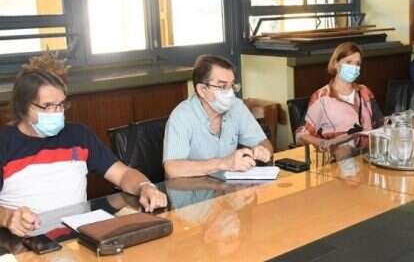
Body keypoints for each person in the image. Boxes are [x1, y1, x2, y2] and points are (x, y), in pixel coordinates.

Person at [0, 69, 167, 237]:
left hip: (79, 236)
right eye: (48, 106)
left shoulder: (78, 135)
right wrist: (7, 217)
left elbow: (123, 174)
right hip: (24, 241)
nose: (57, 112)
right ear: (23, 107)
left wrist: (145, 187)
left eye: (61, 104)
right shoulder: (5, 143)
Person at [163, 54, 273, 178]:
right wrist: (223, 163)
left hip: (228, 186)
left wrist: (263, 150)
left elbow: (264, 143)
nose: (230, 93)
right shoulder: (182, 116)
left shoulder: (236, 106)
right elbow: (172, 168)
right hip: (193, 187)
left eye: (232, 86)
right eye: (222, 86)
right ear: (202, 90)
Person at [295, 42, 383, 150]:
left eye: (357, 64)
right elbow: (301, 135)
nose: (354, 67)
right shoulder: (322, 97)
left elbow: (381, 123)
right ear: (336, 64)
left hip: (369, 154)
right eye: (348, 62)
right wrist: (323, 143)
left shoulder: (364, 91)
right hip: (338, 156)